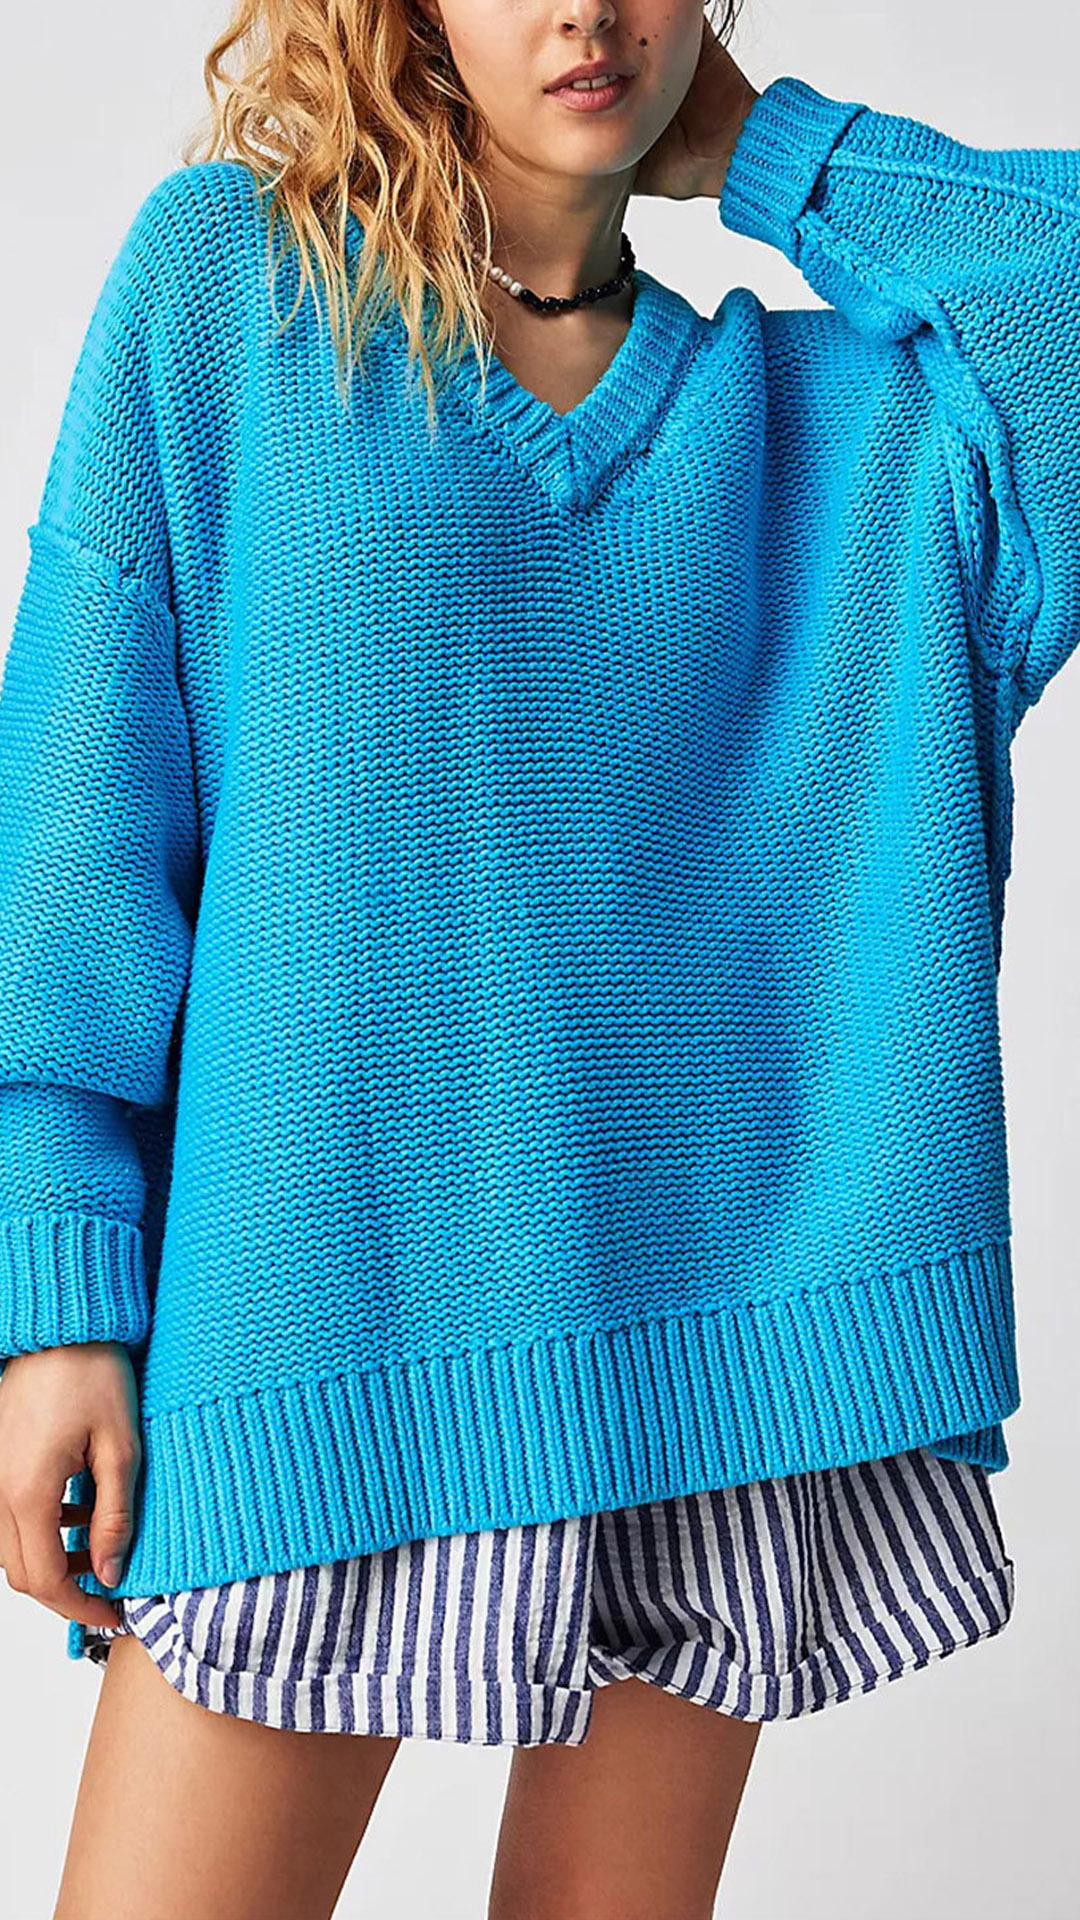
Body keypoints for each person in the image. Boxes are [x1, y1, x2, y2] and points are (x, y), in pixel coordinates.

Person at [0, 0, 1075, 1914]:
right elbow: (72, 838)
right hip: (329, 1331)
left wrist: (772, 151)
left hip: (724, 1355)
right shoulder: (238, 292)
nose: (584, 9)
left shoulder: (834, 424)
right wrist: (57, 1280)